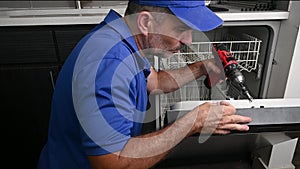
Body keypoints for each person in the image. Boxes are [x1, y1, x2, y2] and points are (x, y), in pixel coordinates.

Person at [38, 0, 252, 169]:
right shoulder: (110, 63)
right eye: (180, 30)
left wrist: (202, 67)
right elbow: (112, 163)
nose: (188, 40)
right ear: (146, 23)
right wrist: (193, 122)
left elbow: (156, 81)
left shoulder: (121, 40)